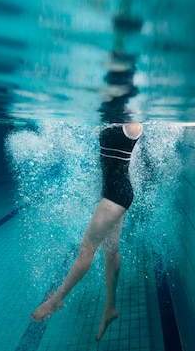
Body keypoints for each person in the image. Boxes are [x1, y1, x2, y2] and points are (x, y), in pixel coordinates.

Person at [31, 122, 143, 341]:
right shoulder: (112, 118)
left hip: (116, 197)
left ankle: (57, 299)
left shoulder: (133, 125)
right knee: (110, 251)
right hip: (113, 195)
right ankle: (110, 307)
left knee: (87, 249)